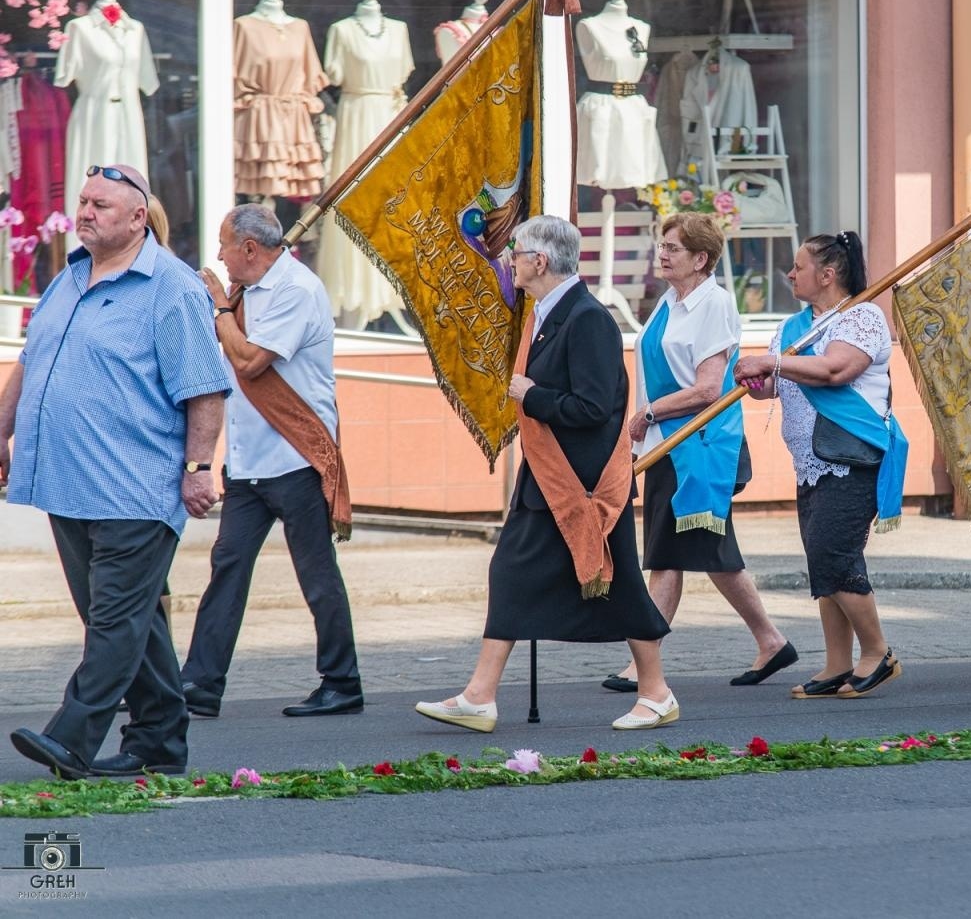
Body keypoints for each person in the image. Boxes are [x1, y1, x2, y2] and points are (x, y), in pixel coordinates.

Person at [0, 164, 230, 779]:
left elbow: (205, 391)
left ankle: (72, 738)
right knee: (133, 621)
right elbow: (30, 361)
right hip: (64, 482)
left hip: (136, 486)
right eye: (82, 201)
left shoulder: (173, 289)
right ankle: (160, 743)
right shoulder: (67, 279)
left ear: (136, 217)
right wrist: (2, 430)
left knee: (113, 622)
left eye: (100, 203)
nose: (86, 211)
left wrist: (199, 468)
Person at [415, 215, 675, 732]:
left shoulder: (588, 319)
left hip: (585, 485)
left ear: (540, 261)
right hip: (549, 479)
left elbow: (595, 407)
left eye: (517, 253)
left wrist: (530, 395)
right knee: (511, 574)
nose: (510, 261)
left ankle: (657, 693)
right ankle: (480, 695)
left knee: (618, 582)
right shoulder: (547, 313)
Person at [179, 204, 362, 718]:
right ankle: (200, 684)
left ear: (250, 249)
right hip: (248, 463)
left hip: (296, 456)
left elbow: (251, 362)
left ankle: (343, 682)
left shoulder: (296, 290)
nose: (218, 254)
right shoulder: (245, 293)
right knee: (227, 567)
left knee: (316, 572)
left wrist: (217, 308)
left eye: (223, 244)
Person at [605, 213, 795, 693]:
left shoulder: (714, 304)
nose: (662, 253)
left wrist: (647, 415)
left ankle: (646, 661)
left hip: (701, 445)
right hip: (671, 443)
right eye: (662, 245)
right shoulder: (671, 302)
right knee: (700, 553)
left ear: (700, 259)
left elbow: (709, 388)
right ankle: (770, 641)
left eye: (672, 247)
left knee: (680, 551)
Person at [733, 231, 908, 699]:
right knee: (823, 561)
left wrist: (771, 363)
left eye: (798, 266)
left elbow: (834, 371)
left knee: (835, 555)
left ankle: (878, 653)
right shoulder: (794, 328)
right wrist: (756, 378)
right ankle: (836, 663)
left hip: (851, 457)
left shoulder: (861, 316)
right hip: (810, 461)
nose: (790, 274)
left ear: (828, 275)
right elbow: (779, 385)